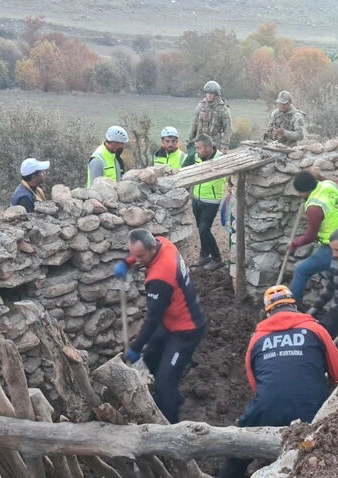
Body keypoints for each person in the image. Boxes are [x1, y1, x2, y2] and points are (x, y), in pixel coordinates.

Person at [218, 285, 338, 478]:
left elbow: (255, 384)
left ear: (268, 313)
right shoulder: (316, 330)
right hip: (312, 412)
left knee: (238, 451)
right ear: (295, 306)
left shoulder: (257, 339)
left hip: (267, 408)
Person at [114, 229, 206, 424]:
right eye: (133, 255)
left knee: (164, 383)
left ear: (152, 248)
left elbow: (152, 319)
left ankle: (170, 428)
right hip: (171, 320)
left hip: (186, 330)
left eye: (140, 256)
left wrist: (135, 347)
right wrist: (127, 262)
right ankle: (173, 397)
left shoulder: (160, 277)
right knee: (151, 357)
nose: (137, 260)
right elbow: (140, 253)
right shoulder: (163, 243)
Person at [288, 171, 338, 302]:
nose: (299, 195)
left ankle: (291, 305)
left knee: (301, 270)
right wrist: (320, 176)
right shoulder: (329, 185)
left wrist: (294, 244)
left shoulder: (314, 207)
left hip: (333, 248)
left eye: (300, 192)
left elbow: (311, 236)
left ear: (306, 191)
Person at [182, 134, 225, 271]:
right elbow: (184, 168)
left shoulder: (221, 158)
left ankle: (217, 259)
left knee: (204, 229)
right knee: (201, 229)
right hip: (197, 199)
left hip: (211, 201)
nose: (197, 151)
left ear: (208, 148)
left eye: (199, 148)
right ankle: (204, 255)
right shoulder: (196, 157)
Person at [188, 80, 231, 154]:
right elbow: (194, 126)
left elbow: (227, 130)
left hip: (215, 146)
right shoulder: (200, 107)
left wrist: (224, 147)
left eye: (211, 93)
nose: (209, 95)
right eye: (207, 93)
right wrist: (189, 143)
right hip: (200, 145)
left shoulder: (223, 109)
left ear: (216, 94)